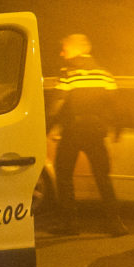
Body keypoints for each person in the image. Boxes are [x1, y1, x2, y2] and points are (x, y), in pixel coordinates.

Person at [50, 33, 123, 236]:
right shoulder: (105, 74)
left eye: (65, 48)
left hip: (72, 132)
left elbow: (56, 105)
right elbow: (116, 105)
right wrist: (117, 128)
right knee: (103, 178)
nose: (62, 53)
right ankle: (115, 224)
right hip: (96, 132)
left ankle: (70, 224)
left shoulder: (68, 74)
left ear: (77, 50)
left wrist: (48, 127)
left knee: (64, 176)